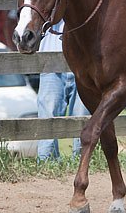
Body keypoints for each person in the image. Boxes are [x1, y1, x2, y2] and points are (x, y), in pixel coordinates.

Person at [36, 20, 90, 161]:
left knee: (82, 117)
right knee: (48, 116)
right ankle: (46, 162)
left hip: (83, 62)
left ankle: (81, 162)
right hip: (50, 61)